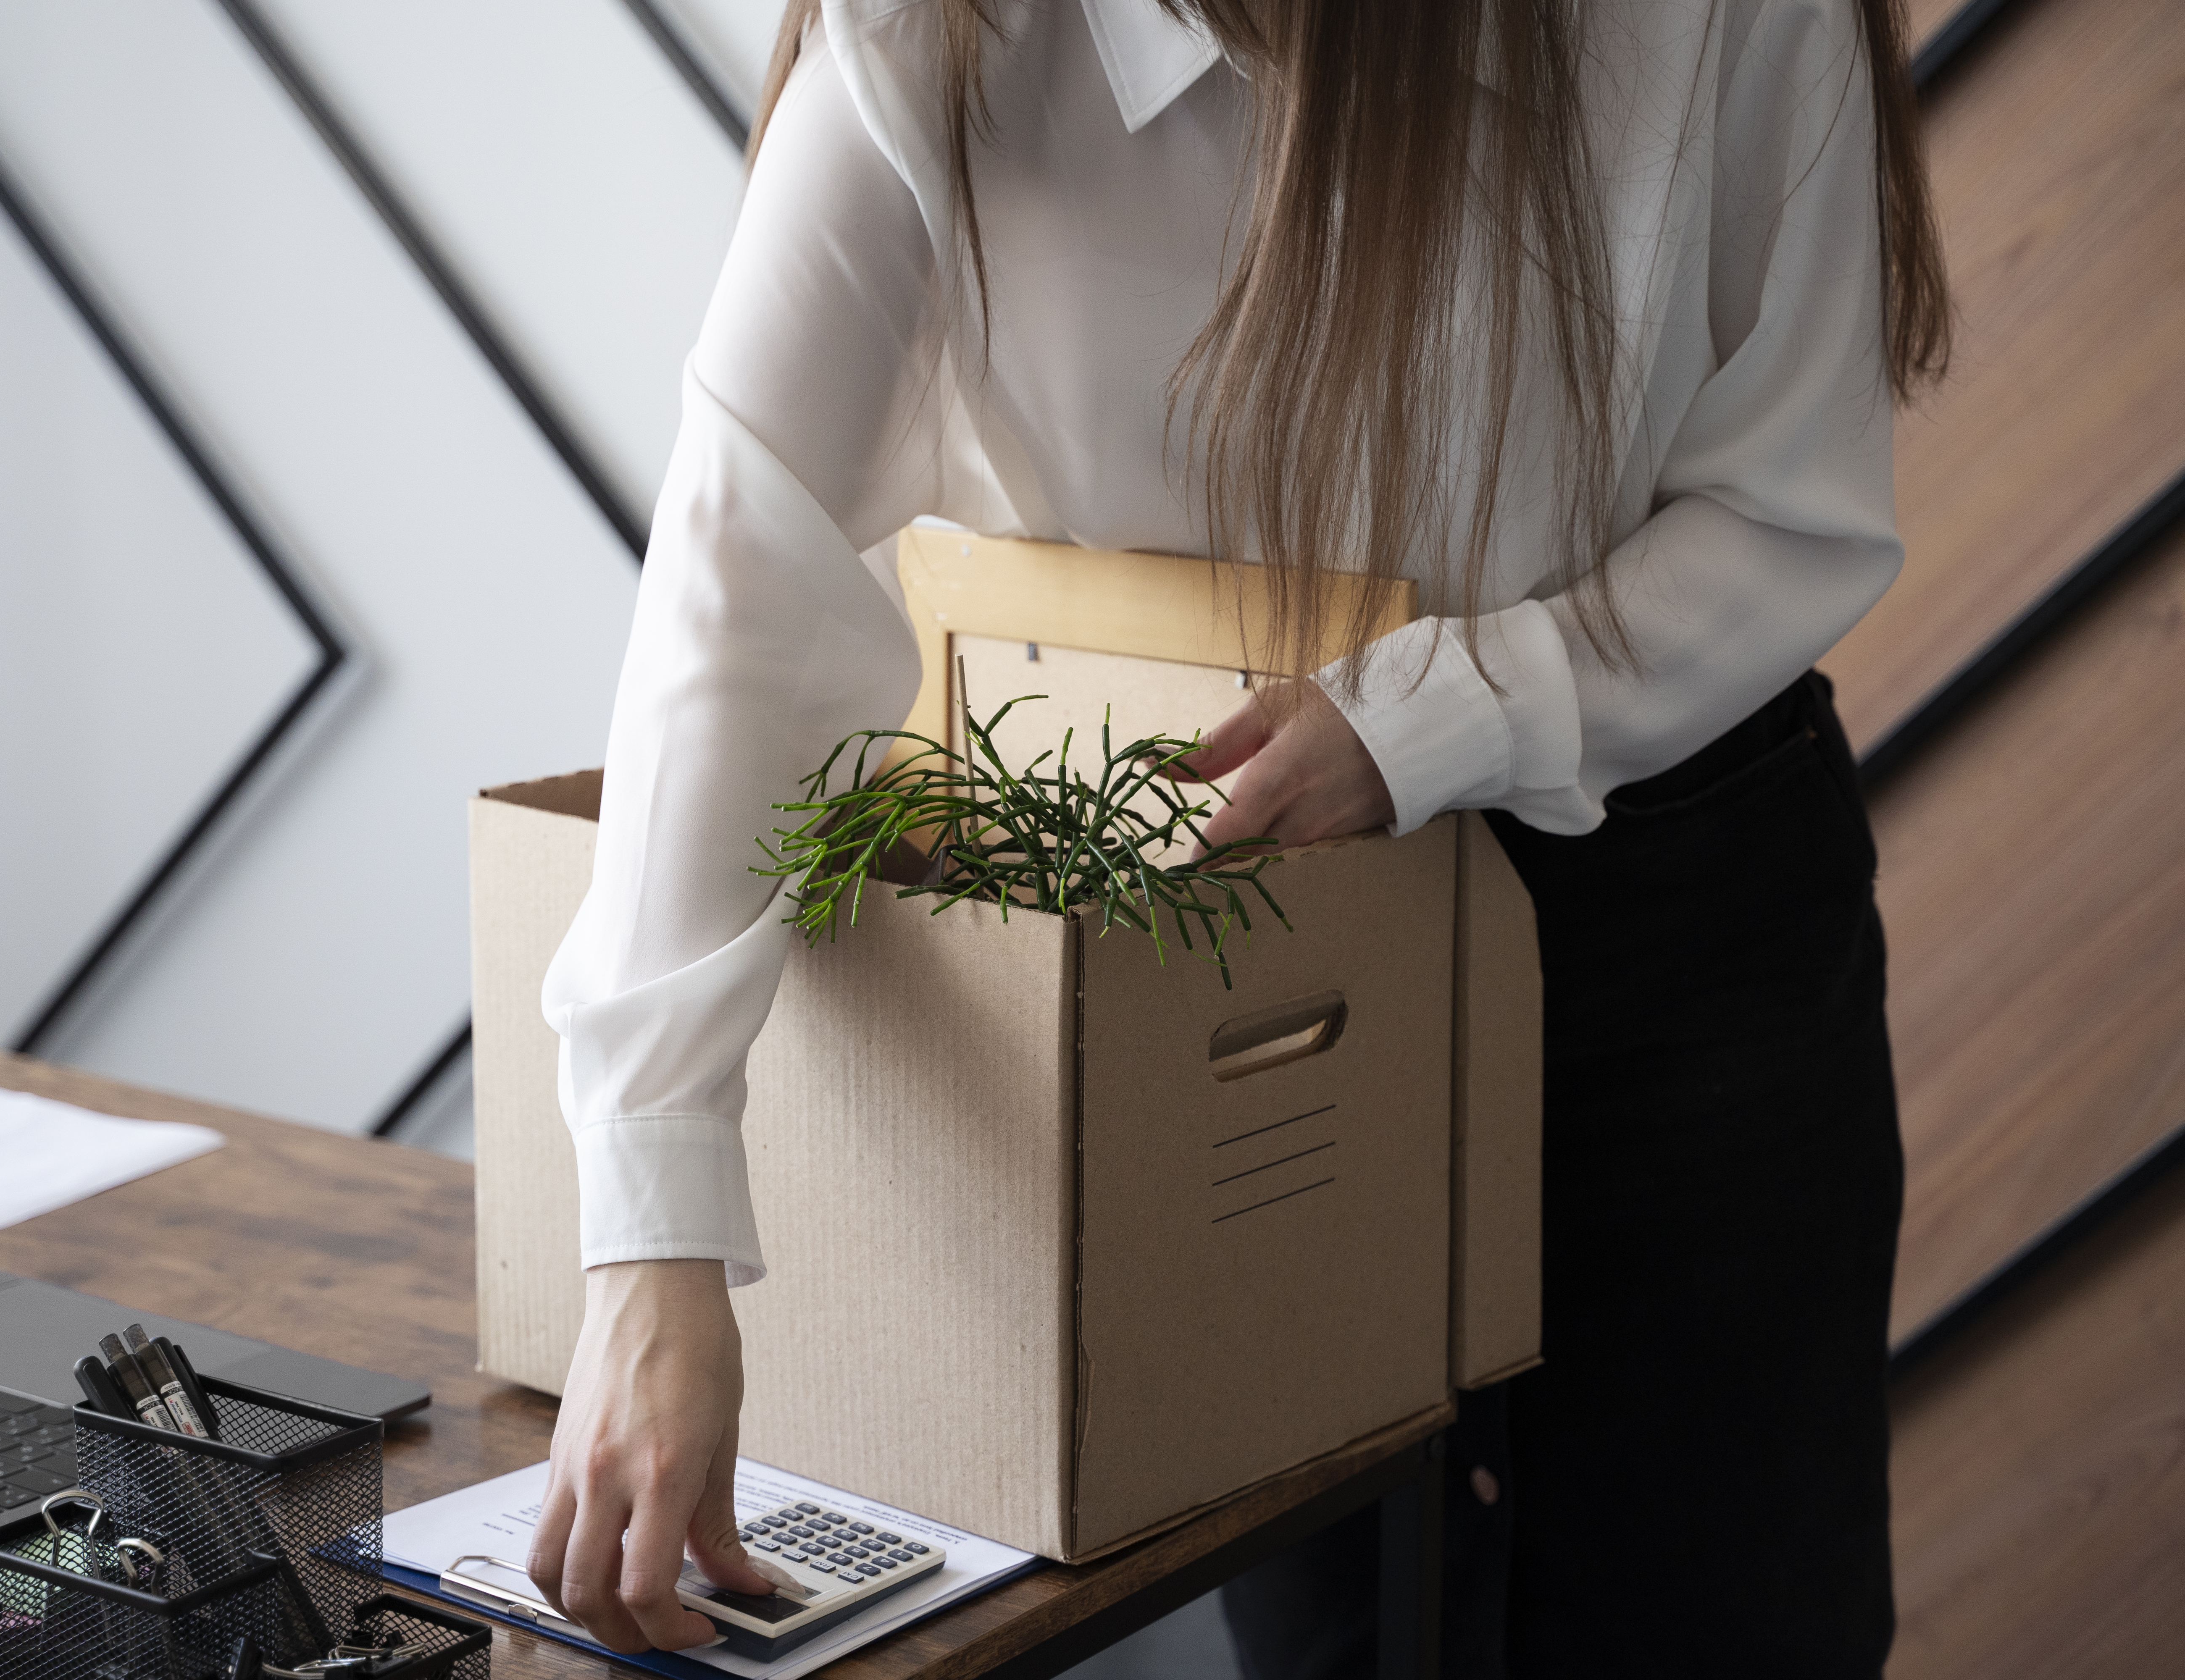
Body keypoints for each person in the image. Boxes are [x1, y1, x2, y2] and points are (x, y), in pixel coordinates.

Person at [524, 0, 1948, 1673]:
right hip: (1245, 930)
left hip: (1663, 905)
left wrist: (1436, 713)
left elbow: (1794, 513)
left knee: (1717, 1619)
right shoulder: (942, 31)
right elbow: (738, 583)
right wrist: (650, 1230)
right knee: (1345, 1628)